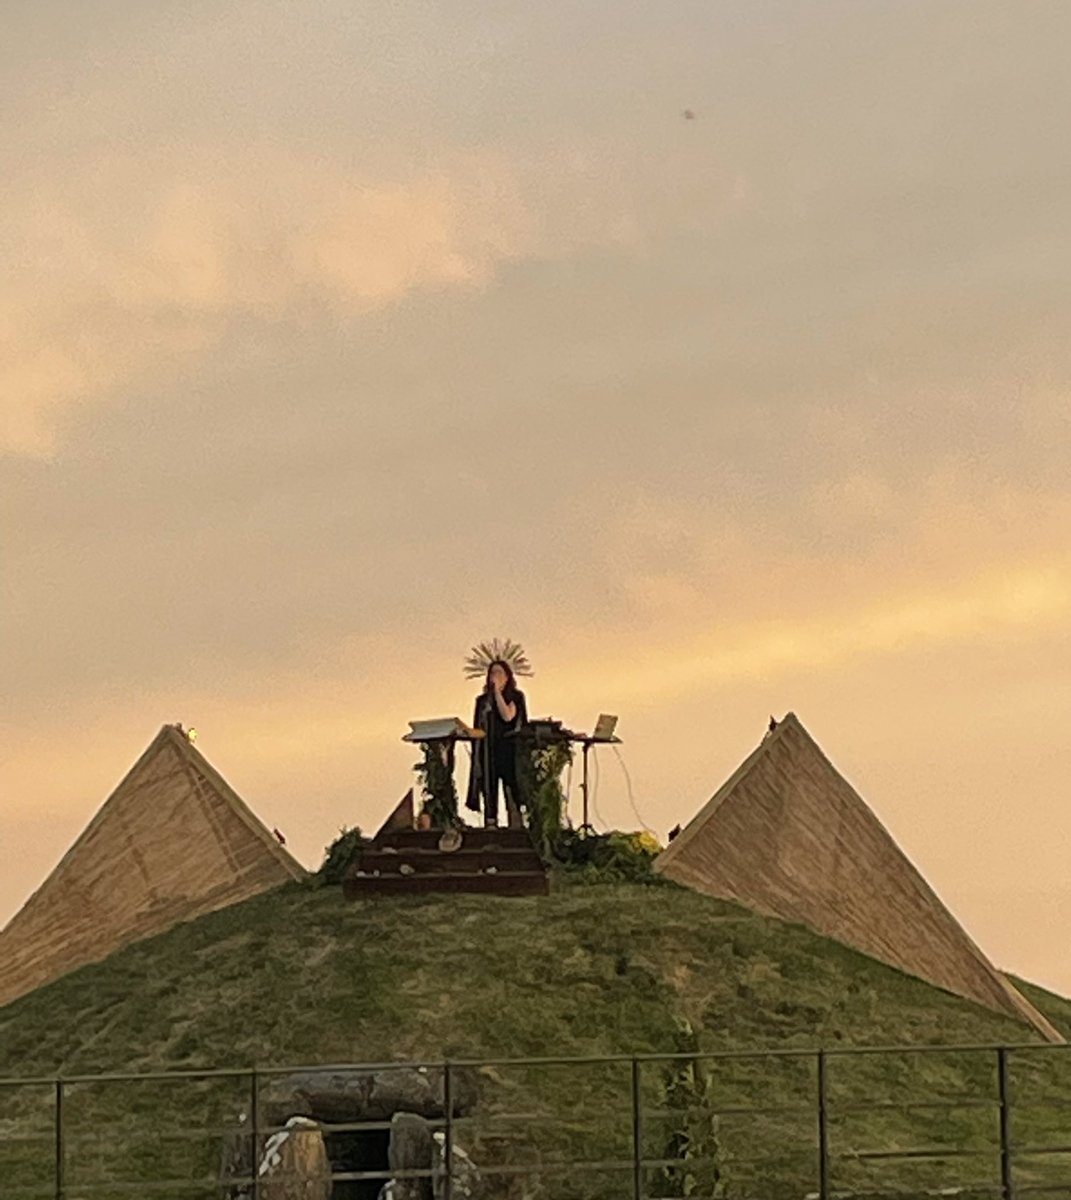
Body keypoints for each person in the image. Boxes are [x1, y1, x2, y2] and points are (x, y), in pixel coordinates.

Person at [465, 658, 528, 827]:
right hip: (488, 750)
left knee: (511, 788)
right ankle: (491, 824)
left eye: (499, 672)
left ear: (507, 676)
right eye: (492, 673)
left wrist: (498, 693)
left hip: (509, 750)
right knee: (489, 789)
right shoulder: (482, 701)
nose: (495, 676)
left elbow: (508, 716)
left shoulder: (515, 696)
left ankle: (516, 825)